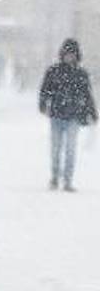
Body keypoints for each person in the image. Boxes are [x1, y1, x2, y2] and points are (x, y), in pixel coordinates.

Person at [38, 38, 98, 191]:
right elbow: (45, 90)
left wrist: (93, 112)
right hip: (57, 115)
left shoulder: (81, 74)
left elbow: (87, 94)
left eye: (72, 54)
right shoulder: (54, 71)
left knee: (70, 149)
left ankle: (68, 180)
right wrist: (43, 104)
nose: (69, 56)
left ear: (77, 55)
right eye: (67, 53)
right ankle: (54, 177)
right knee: (56, 149)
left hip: (74, 117)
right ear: (62, 54)